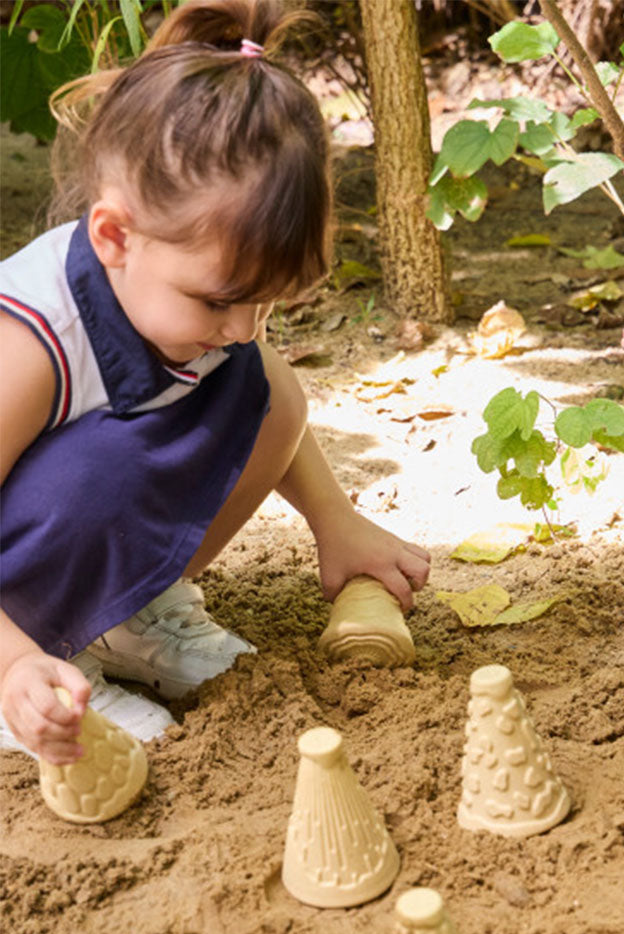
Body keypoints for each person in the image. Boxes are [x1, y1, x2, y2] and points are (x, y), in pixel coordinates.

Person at [0, 0, 430, 765]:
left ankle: (127, 615)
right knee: (100, 470)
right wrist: (15, 664)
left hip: (51, 553)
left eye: (265, 300)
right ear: (113, 236)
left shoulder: (179, 297)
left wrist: (337, 523)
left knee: (264, 390)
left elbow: (271, 404)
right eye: (220, 300)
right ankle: (32, 671)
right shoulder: (29, 343)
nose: (243, 325)